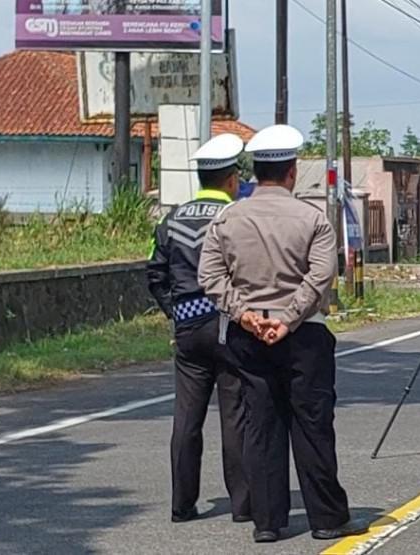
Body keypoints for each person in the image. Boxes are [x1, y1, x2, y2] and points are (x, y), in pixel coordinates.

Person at [198, 125, 367, 544]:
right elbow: (321, 275)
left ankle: (268, 522)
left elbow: (210, 275)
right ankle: (327, 517)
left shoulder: (227, 218)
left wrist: (246, 315)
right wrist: (288, 318)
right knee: (312, 426)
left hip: (248, 335)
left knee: (260, 426)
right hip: (304, 335)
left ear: (255, 173)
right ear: (291, 173)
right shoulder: (312, 219)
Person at [146, 133, 250, 524]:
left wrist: (177, 311)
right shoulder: (238, 217)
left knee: (186, 418)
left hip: (187, 329)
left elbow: (154, 274)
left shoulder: (170, 219)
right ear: (231, 179)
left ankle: (182, 504)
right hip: (230, 325)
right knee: (235, 413)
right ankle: (243, 504)